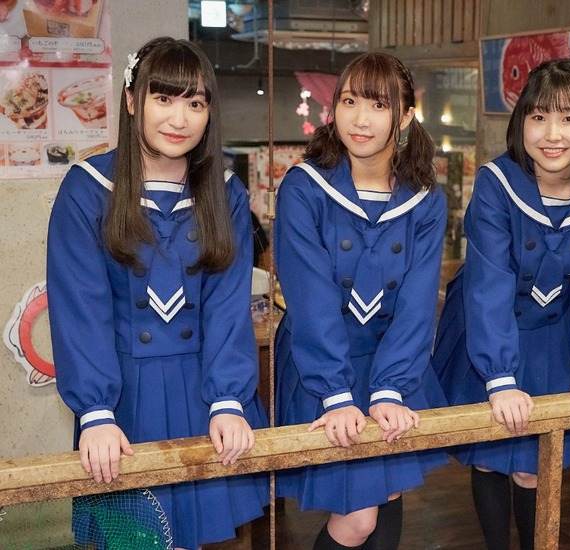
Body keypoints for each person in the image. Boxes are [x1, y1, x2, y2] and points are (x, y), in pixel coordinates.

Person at [47, 37, 268, 549]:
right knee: (134, 540)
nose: (179, 119)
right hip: (123, 401)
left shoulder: (225, 193)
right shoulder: (88, 188)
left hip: (204, 394)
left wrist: (229, 400)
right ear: (132, 100)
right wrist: (96, 413)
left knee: (199, 538)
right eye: (163, 98)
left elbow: (227, 307)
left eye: (195, 103)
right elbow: (80, 308)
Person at [432, 59, 570, 550]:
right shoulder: (496, 182)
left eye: (569, 118)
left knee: (535, 466)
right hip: (488, 327)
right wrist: (499, 377)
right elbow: (489, 281)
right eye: (539, 117)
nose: (552, 134)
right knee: (489, 454)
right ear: (521, 123)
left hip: (556, 329)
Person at [273, 51, 448, 550]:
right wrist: (336, 393)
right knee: (357, 520)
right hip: (322, 364)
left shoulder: (425, 198)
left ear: (405, 117)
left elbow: (418, 302)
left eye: (378, 105)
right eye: (350, 102)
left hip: (393, 362)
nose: (360, 119)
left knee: (387, 494)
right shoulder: (305, 188)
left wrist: (391, 388)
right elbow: (310, 299)